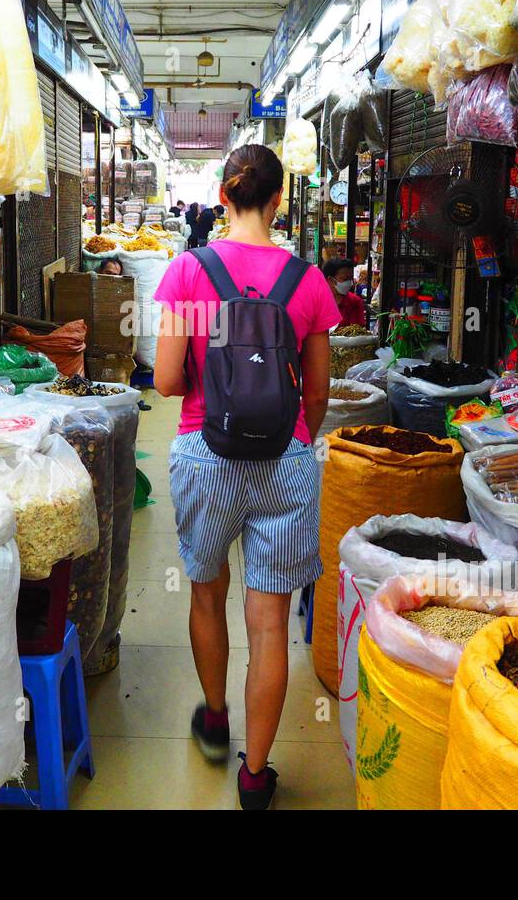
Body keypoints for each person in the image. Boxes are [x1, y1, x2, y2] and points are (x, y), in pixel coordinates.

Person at [153, 144, 339, 810]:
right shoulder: (308, 281)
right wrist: (293, 442)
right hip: (285, 464)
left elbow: (168, 379)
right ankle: (256, 775)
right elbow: (317, 393)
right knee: (270, 623)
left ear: (223, 197)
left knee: (207, 593)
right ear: (280, 199)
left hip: (205, 454)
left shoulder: (188, 271)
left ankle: (212, 712)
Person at [323, 257, 367, 329]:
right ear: (330, 280)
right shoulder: (317, 302)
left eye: (350, 279)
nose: (350, 283)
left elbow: (357, 331)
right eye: (345, 279)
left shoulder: (355, 302)